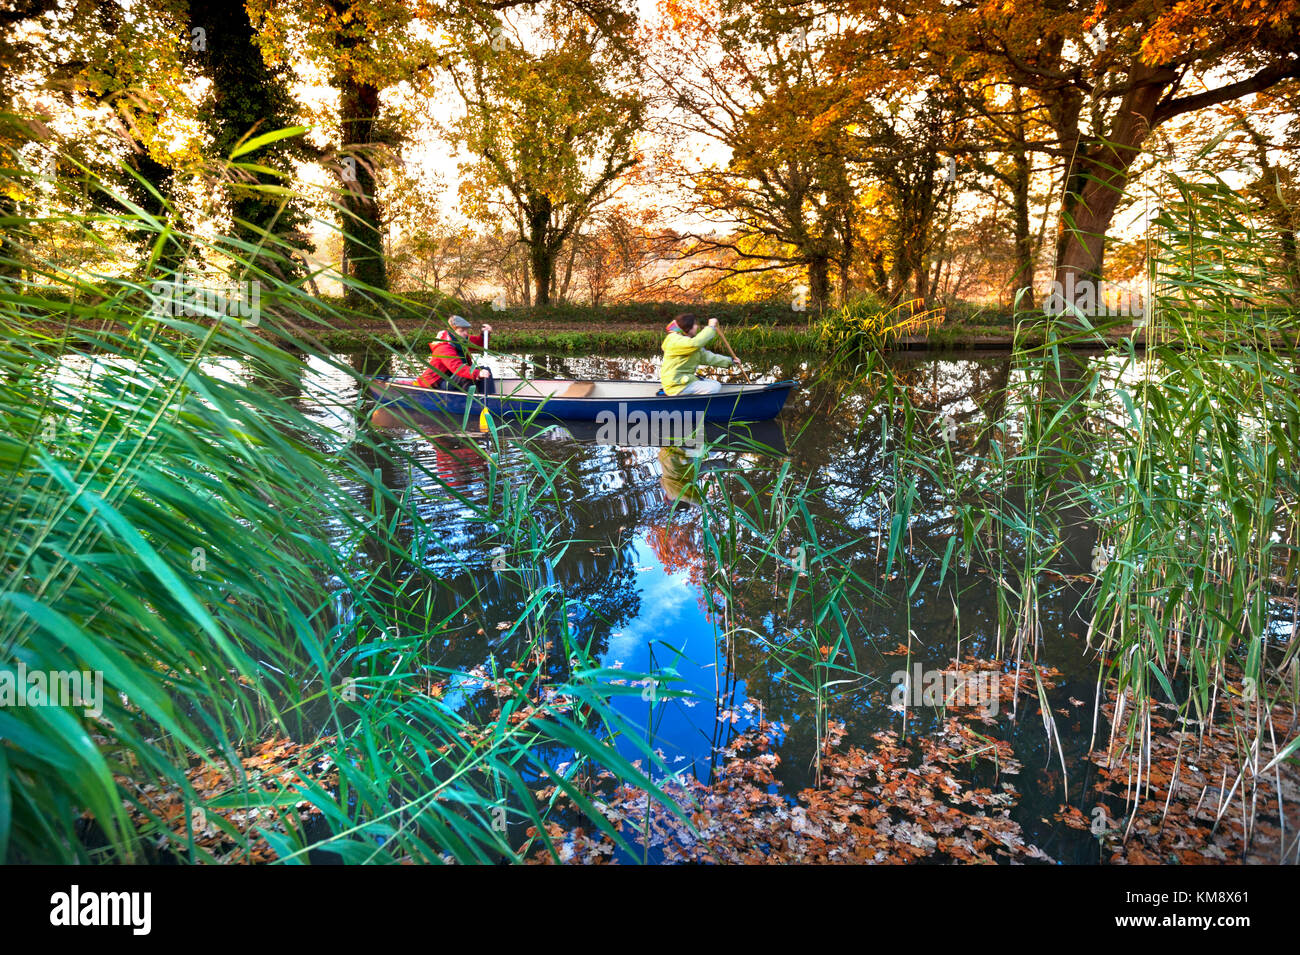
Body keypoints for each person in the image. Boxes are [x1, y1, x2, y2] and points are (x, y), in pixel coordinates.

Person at [660, 313, 734, 396]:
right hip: (676, 384)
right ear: (687, 327)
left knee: (715, 384)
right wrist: (711, 327)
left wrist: (731, 360)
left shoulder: (688, 343)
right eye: (694, 324)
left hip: (683, 381)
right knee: (714, 387)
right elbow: (695, 343)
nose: (697, 327)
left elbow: (708, 357)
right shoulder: (675, 340)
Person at [416, 315, 494, 392]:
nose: (465, 333)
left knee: (486, 370)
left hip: (451, 380)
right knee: (468, 376)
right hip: (438, 384)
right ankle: (478, 401)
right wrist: (478, 373)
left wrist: (484, 334)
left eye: (466, 330)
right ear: (452, 331)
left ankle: (487, 398)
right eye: (462, 330)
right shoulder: (444, 346)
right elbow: (457, 368)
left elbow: (478, 343)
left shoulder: (461, 340)